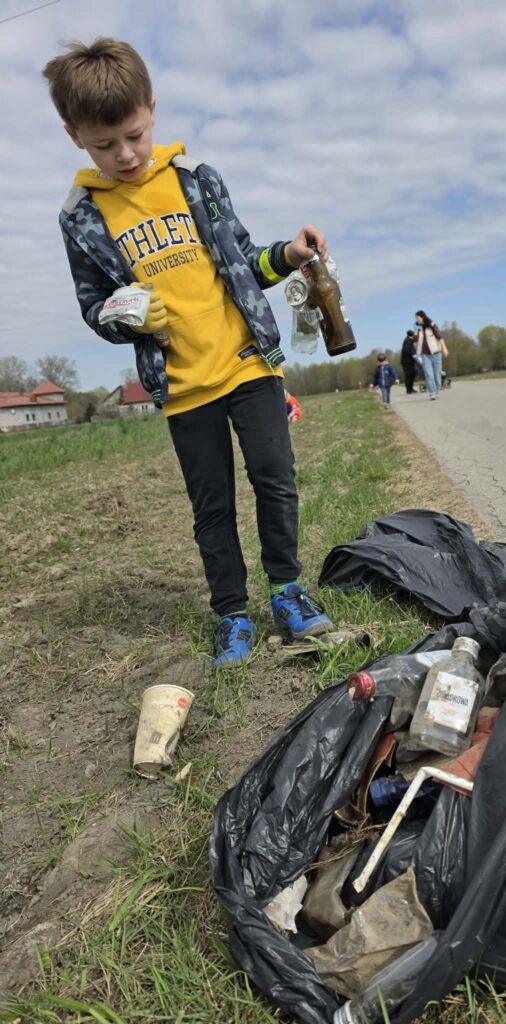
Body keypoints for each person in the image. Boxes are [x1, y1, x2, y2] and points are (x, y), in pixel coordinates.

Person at [43, 38, 334, 665]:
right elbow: (94, 307)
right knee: (212, 506)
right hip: (181, 387)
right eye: (104, 145)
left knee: (276, 481)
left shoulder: (197, 179)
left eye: (134, 135)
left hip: (249, 365)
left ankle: (287, 591)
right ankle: (231, 613)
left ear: (152, 109)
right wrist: (128, 316)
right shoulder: (80, 216)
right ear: (75, 138)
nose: (124, 154)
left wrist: (288, 255)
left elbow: (244, 262)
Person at [414, 310, 448, 400]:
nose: (416, 320)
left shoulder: (432, 325)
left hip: (436, 353)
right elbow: (415, 340)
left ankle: (436, 391)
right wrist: (415, 333)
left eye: (417, 318)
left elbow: (440, 336)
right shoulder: (418, 328)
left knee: (437, 374)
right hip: (425, 354)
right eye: (416, 318)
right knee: (429, 374)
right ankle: (432, 393)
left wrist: (444, 348)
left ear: (422, 317)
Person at [400, 330, 417, 394]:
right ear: (412, 335)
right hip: (407, 361)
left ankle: (411, 388)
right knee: (408, 375)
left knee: (413, 373)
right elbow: (406, 350)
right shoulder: (408, 341)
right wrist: (413, 354)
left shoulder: (408, 340)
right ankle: (408, 389)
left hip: (409, 361)